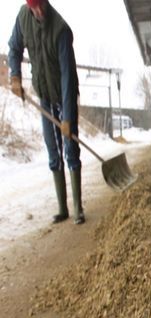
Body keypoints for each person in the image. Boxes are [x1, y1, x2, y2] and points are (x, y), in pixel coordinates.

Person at [8, 0, 85, 224]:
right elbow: (14, 47)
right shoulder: (23, 18)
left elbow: (67, 77)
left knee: (70, 148)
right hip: (44, 96)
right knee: (53, 151)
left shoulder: (61, 31)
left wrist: (68, 117)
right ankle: (63, 208)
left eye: (41, 5)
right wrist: (15, 76)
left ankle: (78, 208)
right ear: (29, 6)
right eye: (34, 8)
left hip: (64, 95)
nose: (39, 11)